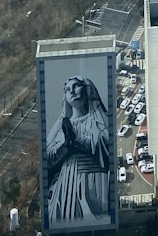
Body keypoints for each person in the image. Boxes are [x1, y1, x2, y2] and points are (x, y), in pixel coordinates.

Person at [45, 75, 112, 224]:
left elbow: (107, 143)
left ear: (87, 89)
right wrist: (66, 145)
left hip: (93, 179)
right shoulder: (62, 125)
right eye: (68, 89)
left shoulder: (101, 118)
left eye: (76, 86)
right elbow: (49, 156)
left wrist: (77, 141)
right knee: (63, 219)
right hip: (66, 181)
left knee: (96, 220)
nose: (72, 91)